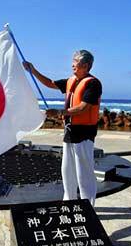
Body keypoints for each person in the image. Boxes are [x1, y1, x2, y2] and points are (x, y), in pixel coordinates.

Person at [23, 50, 102, 206]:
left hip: (84, 134)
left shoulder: (93, 83)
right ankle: (69, 202)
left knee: (84, 173)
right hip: (70, 132)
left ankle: (88, 207)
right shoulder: (71, 81)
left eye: (76, 61)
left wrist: (60, 112)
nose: (72, 63)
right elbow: (50, 83)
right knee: (67, 171)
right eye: (73, 60)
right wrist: (33, 70)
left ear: (85, 65)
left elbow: (83, 108)